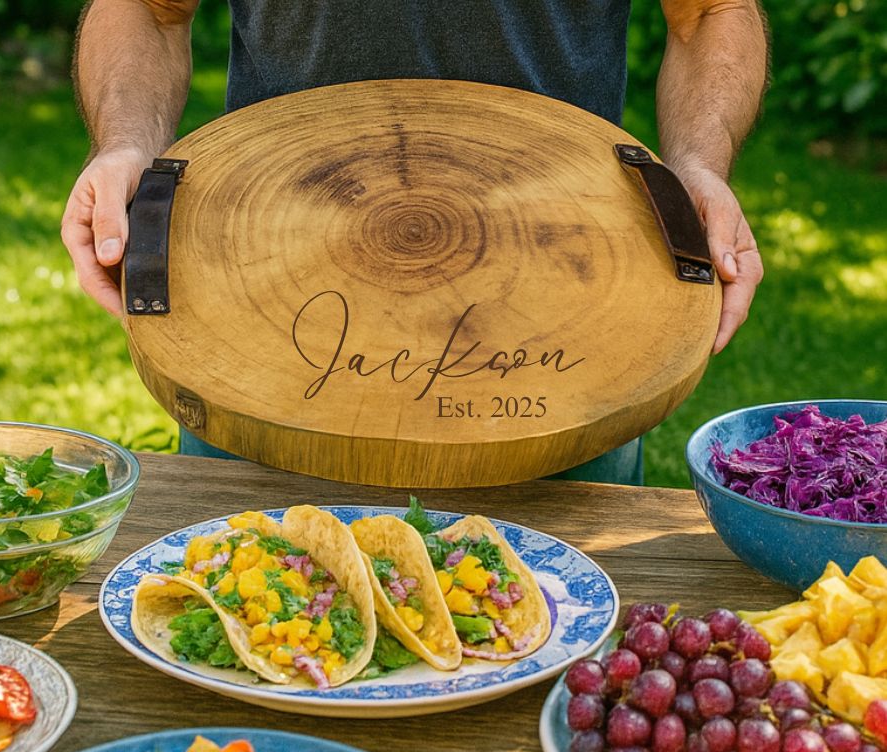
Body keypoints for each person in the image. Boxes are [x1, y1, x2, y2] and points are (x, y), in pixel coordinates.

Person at [61, 0, 768, 484]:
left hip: (567, 323)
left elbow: (708, 11)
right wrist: (125, 145)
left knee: (564, 676)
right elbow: (152, 9)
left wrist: (699, 165)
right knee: (251, 639)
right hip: (262, 309)